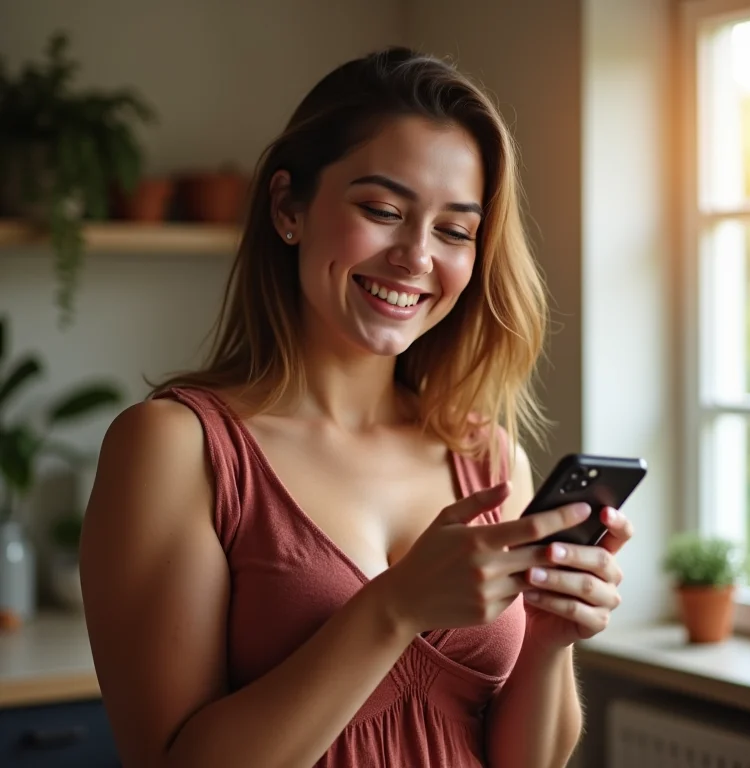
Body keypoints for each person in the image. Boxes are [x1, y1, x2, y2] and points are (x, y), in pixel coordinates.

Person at [79, 47, 632, 768]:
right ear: (288, 208)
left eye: (454, 230)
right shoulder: (176, 447)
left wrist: (551, 637)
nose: (415, 257)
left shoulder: (487, 457)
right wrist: (394, 608)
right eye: (382, 210)